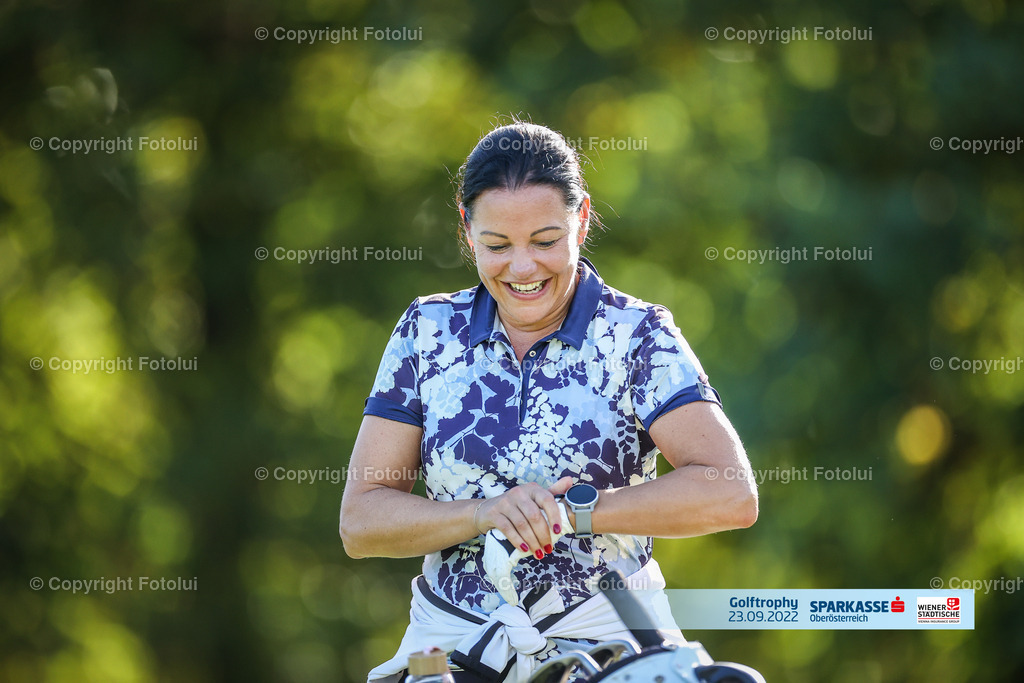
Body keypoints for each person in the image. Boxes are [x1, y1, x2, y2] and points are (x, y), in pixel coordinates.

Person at [340, 121, 758, 683]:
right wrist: (482, 514)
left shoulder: (637, 334)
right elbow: (361, 520)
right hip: (452, 645)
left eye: (544, 241)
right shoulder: (426, 330)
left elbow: (731, 493)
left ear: (581, 219)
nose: (522, 268)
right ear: (466, 230)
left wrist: (574, 512)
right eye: (496, 246)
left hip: (616, 637)